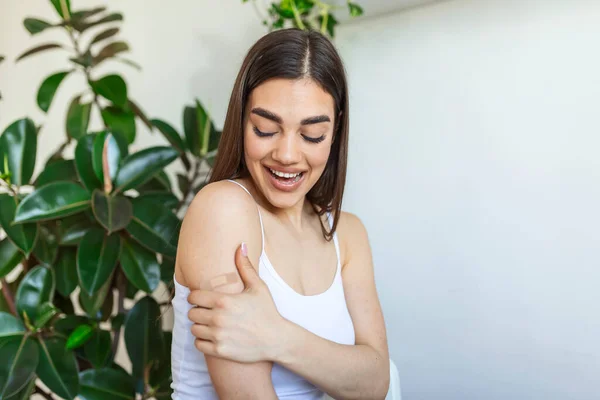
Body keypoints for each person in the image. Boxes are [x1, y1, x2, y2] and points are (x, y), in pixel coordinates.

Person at [171, 28, 389, 400]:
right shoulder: (224, 209)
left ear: (335, 131)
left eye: (312, 135)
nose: (287, 154)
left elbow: (375, 383)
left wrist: (277, 336)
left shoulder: (347, 234)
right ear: (242, 122)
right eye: (266, 129)